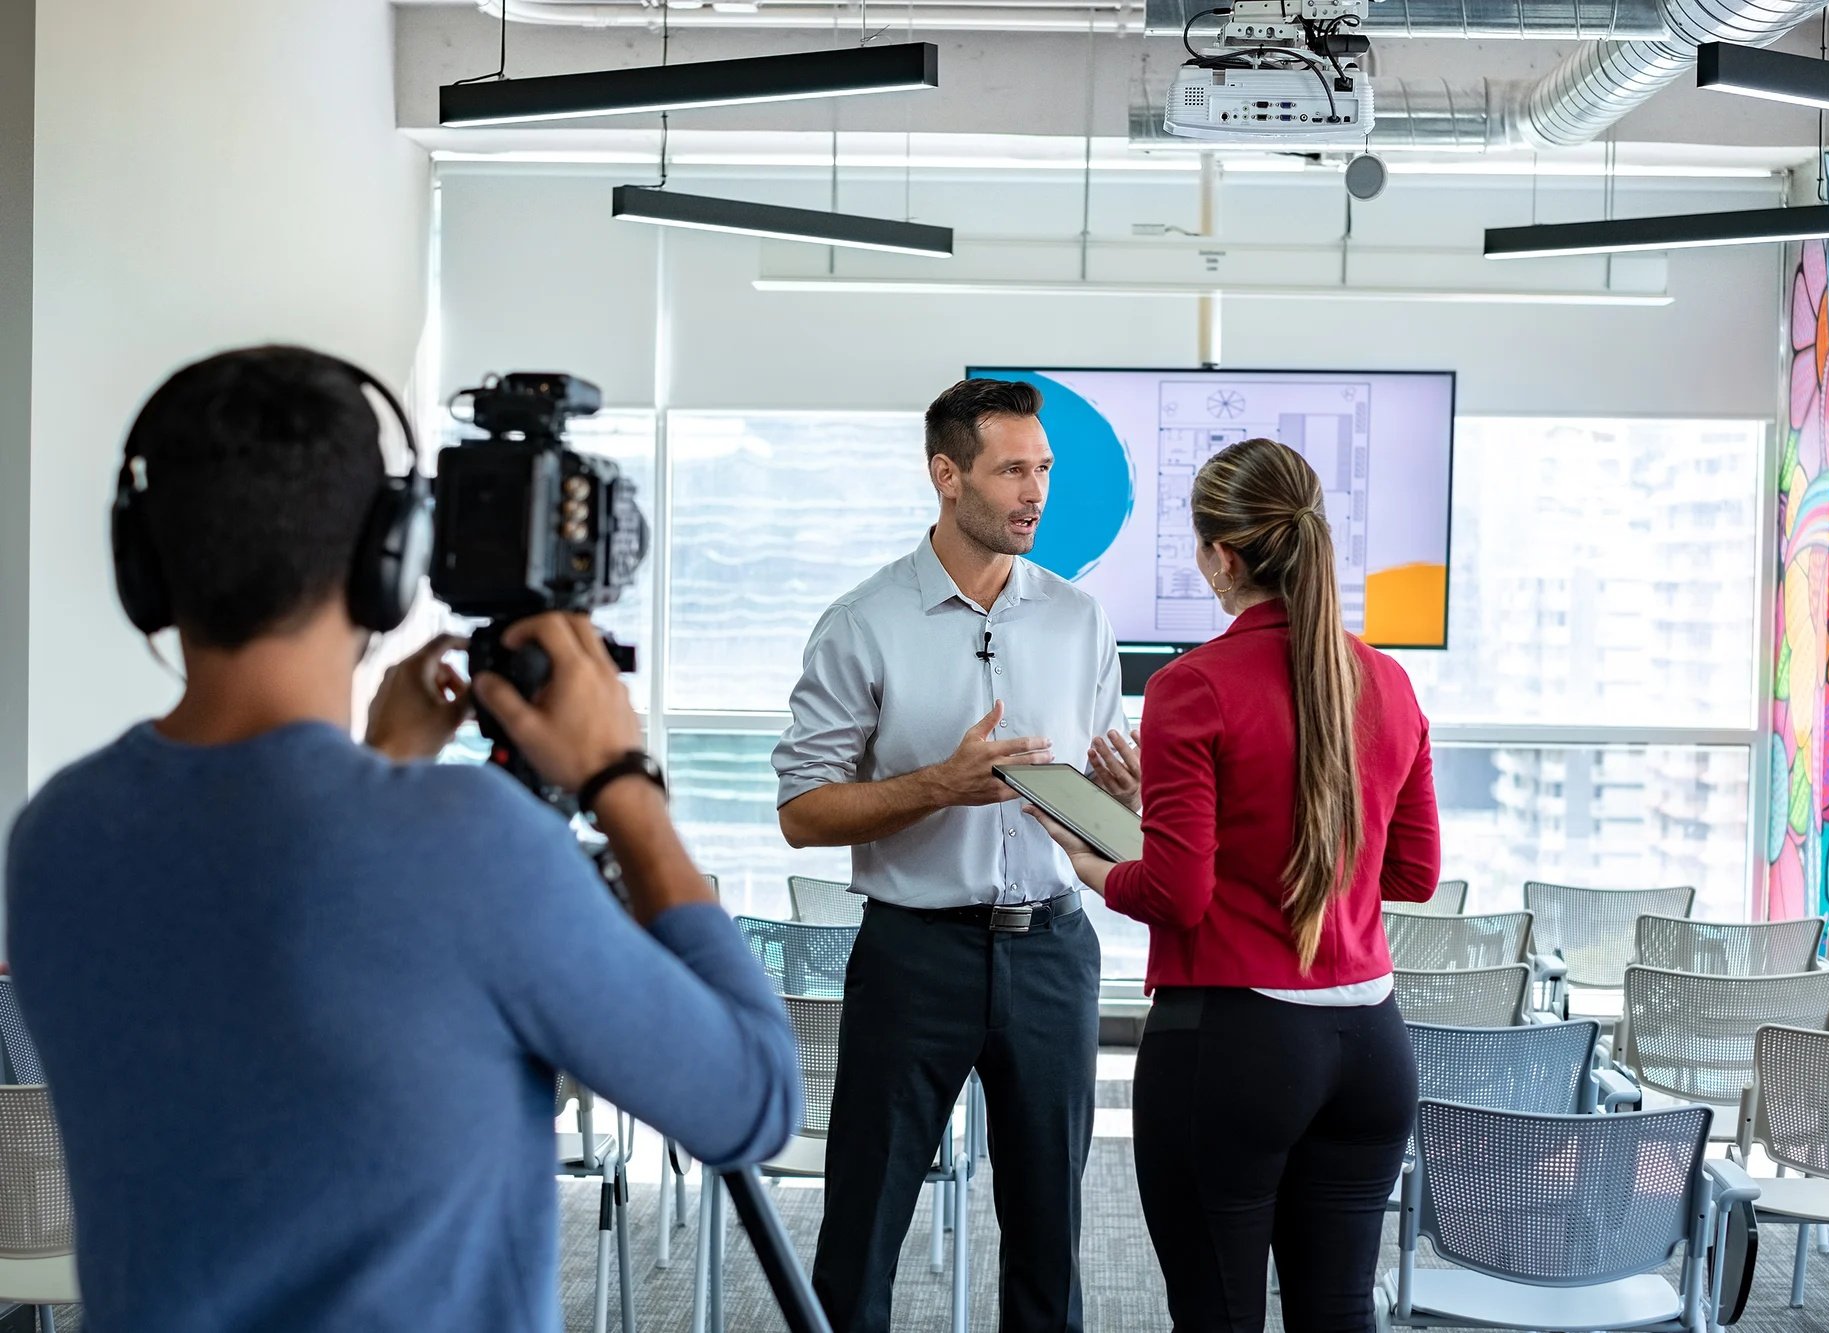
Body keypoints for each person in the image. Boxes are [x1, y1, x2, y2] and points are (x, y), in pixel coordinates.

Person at [4, 346, 801, 1333]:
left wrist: (383, 761)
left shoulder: (57, 835)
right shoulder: (470, 844)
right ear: (390, 559)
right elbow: (752, 1101)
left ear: (145, 559)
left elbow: (281, 1041)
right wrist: (621, 781)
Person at [1033, 437, 1442, 1333]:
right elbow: (1411, 871)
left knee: (1218, 1315)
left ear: (1222, 554)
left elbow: (1177, 894)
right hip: (1372, 1045)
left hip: (1237, 1044)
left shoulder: (1193, 685)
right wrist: (1180, 815)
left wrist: (1089, 856)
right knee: (1337, 1313)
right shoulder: (1389, 680)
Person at [772, 378, 1138, 1333]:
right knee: (863, 1224)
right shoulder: (863, 621)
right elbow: (804, 812)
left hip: (1054, 952)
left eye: (1044, 468)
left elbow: (1096, 802)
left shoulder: (1080, 619)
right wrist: (939, 784)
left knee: (1051, 1234)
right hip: (914, 954)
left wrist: (1124, 804)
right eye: (1012, 468)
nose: (1036, 491)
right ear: (947, 475)